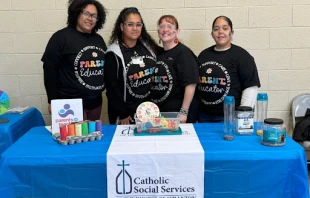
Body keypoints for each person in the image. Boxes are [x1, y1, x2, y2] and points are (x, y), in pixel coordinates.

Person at [41, 0, 107, 120]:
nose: (90, 18)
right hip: (69, 106)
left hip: (95, 103)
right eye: (86, 13)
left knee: (94, 137)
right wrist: (52, 100)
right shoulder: (60, 37)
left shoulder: (98, 39)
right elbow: (49, 70)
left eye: (94, 16)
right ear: (77, 13)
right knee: (73, 138)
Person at [197, 16, 260, 122]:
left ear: (232, 32)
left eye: (225, 28)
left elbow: (251, 88)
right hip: (204, 115)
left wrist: (242, 115)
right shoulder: (203, 55)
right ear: (212, 33)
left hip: (230, 117)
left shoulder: (242, 56)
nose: (220, 32)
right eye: (216, 29)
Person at [104, 7, 158, 125]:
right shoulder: (113, 54)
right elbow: (112, 89)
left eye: (138, 24)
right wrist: (123, 113)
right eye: (130, 24)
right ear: (122, 27)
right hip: (127, 116)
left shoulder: (147, 46)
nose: (135, 28)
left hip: (149, 112)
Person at [150, 15, 199, 123]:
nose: (165, 30)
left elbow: (191, 84)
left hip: (178, 116)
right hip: (160, 115)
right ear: (158, 31)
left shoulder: (184, 53)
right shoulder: (158, 53)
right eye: (162, 26)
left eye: (170, 26)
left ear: (177, 31)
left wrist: (183, 112)